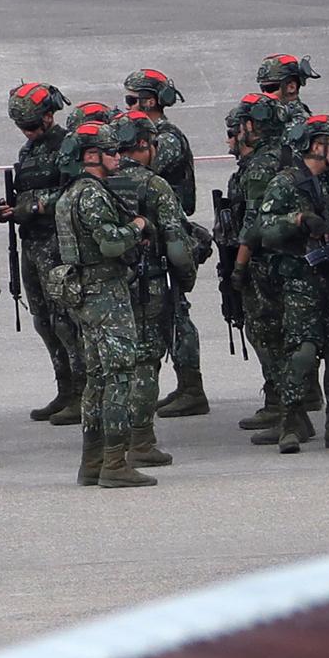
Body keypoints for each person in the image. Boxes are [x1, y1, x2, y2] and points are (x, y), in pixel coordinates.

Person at [252, 116, 329, 453]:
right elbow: (265, 230)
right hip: (299, 281)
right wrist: (298, 220)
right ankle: (290, 420)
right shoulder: (285, 185)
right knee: (301, 353)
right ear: (316, 146)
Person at [54, 121, 157, 487]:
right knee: (119, 377)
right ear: (91, 156)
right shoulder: (93, 195)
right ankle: (115, 462)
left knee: (96, 378)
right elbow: (111, 244)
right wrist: (138, 227)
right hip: (106, 293)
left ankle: (92, 461)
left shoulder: (68, 194)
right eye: (112, 151)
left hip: (85, 295)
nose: (119, 157)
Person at [104, 111, 196, 466]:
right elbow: (177, 245)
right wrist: (185, 278)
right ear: (143, 146)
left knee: (111, 365)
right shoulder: (154, 186)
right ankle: (140, 440)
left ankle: (109, 441)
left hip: (108, 288)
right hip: (150, 286)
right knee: (146, 361)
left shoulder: (96, 183)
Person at [0, 82, 84, 426]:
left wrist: (32, 206)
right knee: (44, 321)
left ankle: (81, 390)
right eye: (22, 128)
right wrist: (7, 209)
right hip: (32, 244)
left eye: (32, 126)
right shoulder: (29, 152)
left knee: (66, 321)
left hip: (58, 244)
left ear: (50, 116)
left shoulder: (68, 147)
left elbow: (74, 194)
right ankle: (65, 389)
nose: (27, 133)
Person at [123, 69, 206, 416]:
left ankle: (191, 387)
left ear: (151, 100)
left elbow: (145, 175)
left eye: (132, 100)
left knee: (176, 312)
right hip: (152, 229)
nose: (126, 106)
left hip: (167, 228)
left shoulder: (165, 138)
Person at [221, 93, 295, 440]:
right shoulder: (277, 157)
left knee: (266, 333)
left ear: (251, 127)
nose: (230, 139)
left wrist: (238, 268)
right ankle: (284, 404)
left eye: (235, 130)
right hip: (279, 261)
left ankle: (285, 409)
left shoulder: (261, 167)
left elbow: (252, 224)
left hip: (265, 264)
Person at [258, 53, 320, 131]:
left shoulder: (300, 122)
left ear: (291, 87)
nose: (265, 94)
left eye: (271, 88)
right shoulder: (264, 114)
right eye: (263, 88)